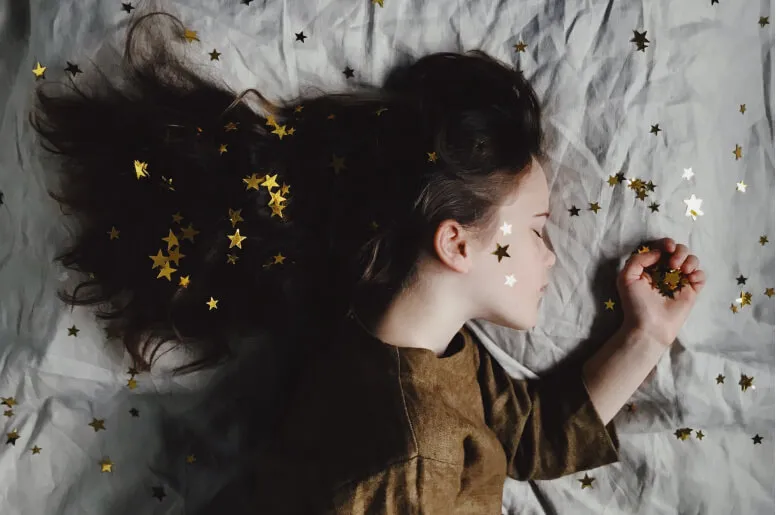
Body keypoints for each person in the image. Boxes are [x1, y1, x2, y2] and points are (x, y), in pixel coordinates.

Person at [30, 10, 706, 514]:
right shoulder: (407, 461)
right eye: (535, 231)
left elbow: (530, 436)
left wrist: (646, 334)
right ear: (457, 243)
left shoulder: (421, 349)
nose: (552, 257)